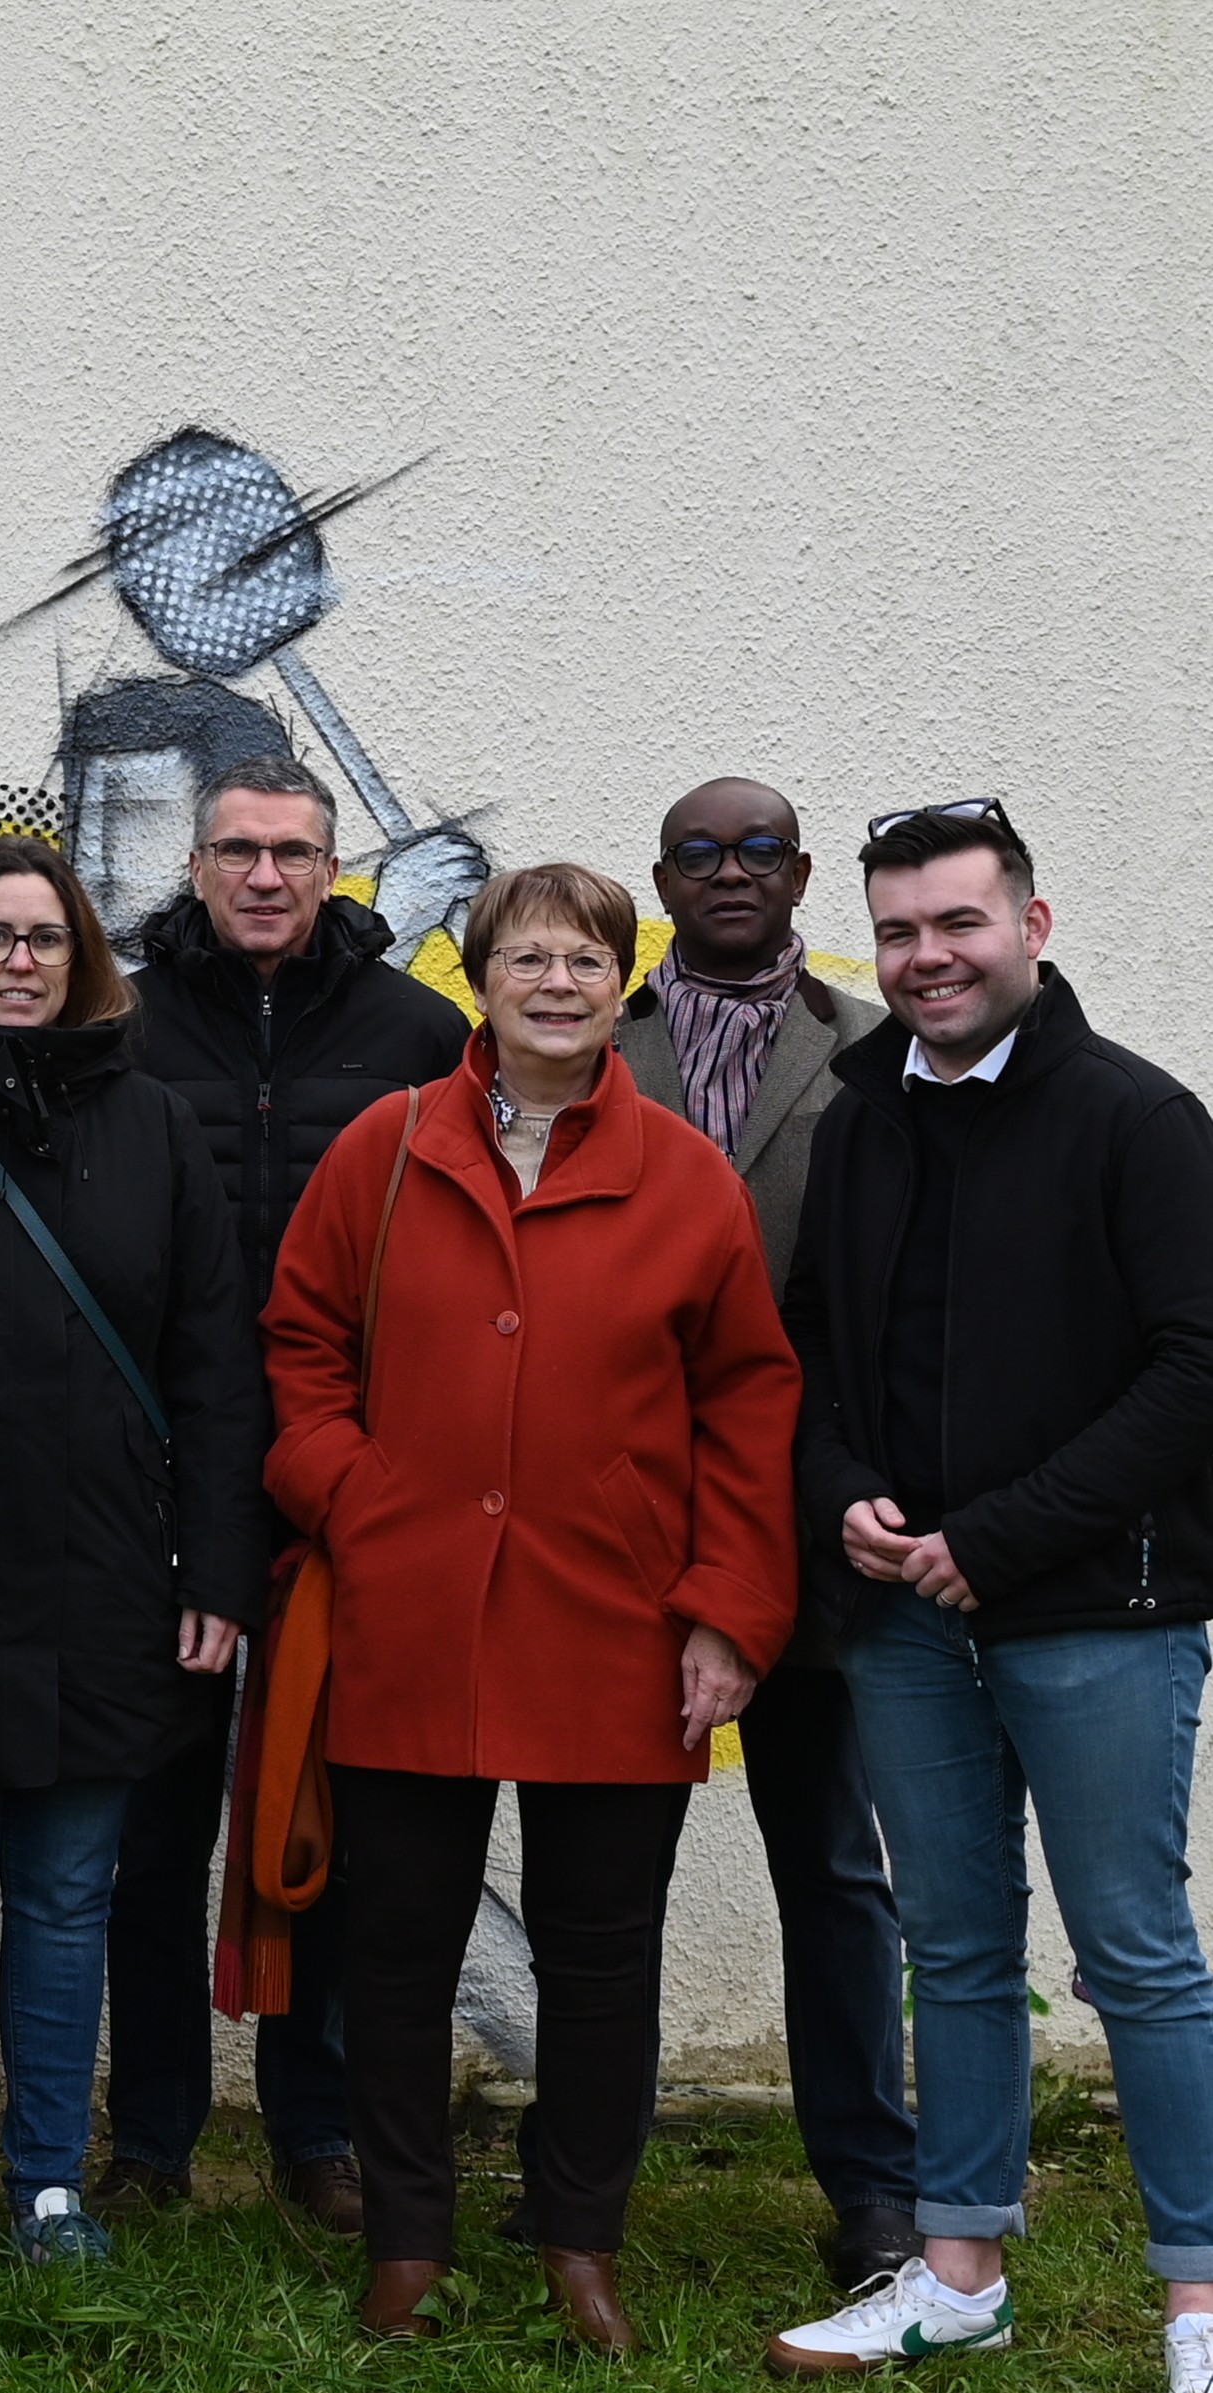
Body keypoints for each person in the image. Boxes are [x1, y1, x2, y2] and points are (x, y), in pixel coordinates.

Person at [258, 860, 797, 2352]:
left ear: (620, 983)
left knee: (601, 1955)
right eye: (527, 959)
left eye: (585, 961)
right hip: (408, 1610)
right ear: (480, 979)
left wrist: (726, 1608)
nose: (556, 984)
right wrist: (354, 1497)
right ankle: (407, 2245)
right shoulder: (383, 1147)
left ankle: (579, 2240)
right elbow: (299, 1344)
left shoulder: (689, 1177)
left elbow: (749, 1405)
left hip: (616, 1621)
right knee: (396, 1948)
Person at [764, 803, 1213, 2385]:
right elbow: (809, 1340)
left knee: (1135, 1957)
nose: (925, 958)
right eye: (897, 931)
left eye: (956, 923)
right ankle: (956, 2272)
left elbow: (1193, 1370)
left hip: (1097, 1611)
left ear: (1030, 926)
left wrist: (998, 1536)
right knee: (950, 1948)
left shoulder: (1136, 1119)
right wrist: (838, 1491)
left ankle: (1198, 2303)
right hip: (900, 1617)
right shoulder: (862, 1115)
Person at [0, 839, 270, 2288]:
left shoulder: (157, 1128)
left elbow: (214, 1368)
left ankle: (49, 2185)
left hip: (110, 1580)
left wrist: (217, 1572)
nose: (20, 959)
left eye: (47, 938)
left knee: (73, 1897)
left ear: (83, 963)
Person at [110, 748, 467, 2227]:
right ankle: (151, 2136)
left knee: (335, 1823)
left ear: (334, 870)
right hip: (158, 1488)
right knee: (152, 1835)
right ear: (194, 866)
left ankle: (317, 2129)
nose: (265, 875)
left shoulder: (420, 1032)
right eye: (237, 850)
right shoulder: (119, 1021)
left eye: (294, 852)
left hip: (349, 1492)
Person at [612, 776, 918, 2294]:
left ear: (801, 875)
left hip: (807, 1512)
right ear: (662, 877)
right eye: (697, 851)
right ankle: (584, 2175)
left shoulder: (875, 1050)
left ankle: (874, 2186)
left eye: (758, 850)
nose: (727, 871)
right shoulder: (595, 1045)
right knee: (611, 1869)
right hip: (616, 1521)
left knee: (831, 1861)